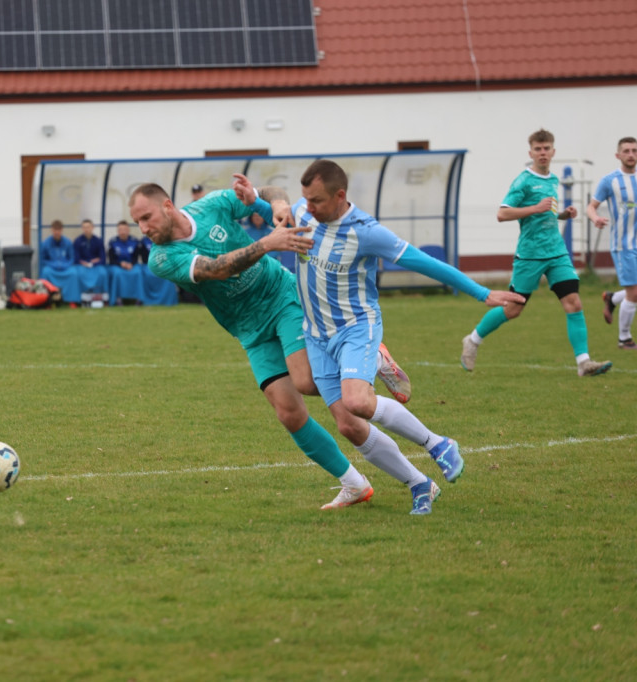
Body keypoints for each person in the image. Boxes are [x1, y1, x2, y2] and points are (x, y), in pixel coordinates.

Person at [129, 179, 408, 511]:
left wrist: (276, 205)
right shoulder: (160, 258)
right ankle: (353, 483)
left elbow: (271, 190)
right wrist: (266, 243)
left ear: (167, 206)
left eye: (146, 217)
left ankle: (367, 357)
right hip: (248, 328)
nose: (143, 228)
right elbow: (218, 270)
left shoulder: (211, 205)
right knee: (288, 413)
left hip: (281, 297)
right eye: (137, 222)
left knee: (307, 382)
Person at [287, 160, 525, 513]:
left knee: (357, 403)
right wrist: (256, 197)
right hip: (317, 336)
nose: (308, 208)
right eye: (305, 199)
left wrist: (481, 293)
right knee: (349, 426)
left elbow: (422, 262)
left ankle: (438, 444)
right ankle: (420, 483)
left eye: (317, 201)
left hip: (356, 328)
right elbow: (274, 203)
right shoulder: (303, 214)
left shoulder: (366, 232)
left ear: (340, 196)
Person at [460, 129, 612, 377]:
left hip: (556, 252)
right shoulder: (522, 181)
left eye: (547, 148)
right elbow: (502, 213)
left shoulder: (553, 179)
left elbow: (546, 212)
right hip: (530, 255)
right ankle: (473, 340)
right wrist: (533, 207)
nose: (543, 153)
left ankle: (583, 363)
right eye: (538, 149)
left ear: (553, 151)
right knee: (513, 309)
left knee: (573, 302)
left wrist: (563, 214)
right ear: (530, 152)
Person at [587, 136, 637, 350]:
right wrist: (595, 218)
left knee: (634, 292)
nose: (631, 154)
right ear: (618, 155)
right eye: (626, 151)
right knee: (634, 293)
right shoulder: (610, 181)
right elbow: (591, 207)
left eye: (634, 150)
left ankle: (611, 298)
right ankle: (624, 338)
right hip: (623, 245)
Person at [39, 219, 81, 305]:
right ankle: (46, 300)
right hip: (52, 269)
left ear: (62, 230)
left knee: (74, 273)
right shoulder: (46, 243)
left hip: (65, 268)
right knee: (45, 272)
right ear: (52, 230)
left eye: (58, 230)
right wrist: (53, 264)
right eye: (55, 230)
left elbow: (72, 258)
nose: (56, 232)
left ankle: (71, 300)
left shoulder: (68, 242)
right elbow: (43, 259)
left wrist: (64, 265)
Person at [107, 219, 144, 305]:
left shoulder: (134, 241)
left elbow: (136, 257)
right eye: (120, 230)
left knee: (138, 272)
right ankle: (118, 299)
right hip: (117, 265)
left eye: (125, 230)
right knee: (117, 274)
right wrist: (121, 264)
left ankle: (139, 299)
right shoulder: (112, 242)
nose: (123, 232)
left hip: (131, 265)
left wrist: (131, 264)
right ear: (118, 231)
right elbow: (111, 259)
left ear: (128, 230)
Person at [73, 218, 108, 304]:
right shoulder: (78, 241)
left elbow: (103, 258)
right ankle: (82, 298)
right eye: (84, 227)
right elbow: (76, 258)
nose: (86, 229)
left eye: (88, 227)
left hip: (96, 266)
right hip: (82, 266)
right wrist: (83, 262)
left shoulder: (98, 241)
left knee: (103, 272)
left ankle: (101, 297)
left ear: (93, 227)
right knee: (79, 273)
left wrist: (95, 262)